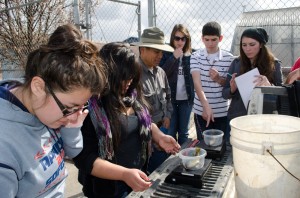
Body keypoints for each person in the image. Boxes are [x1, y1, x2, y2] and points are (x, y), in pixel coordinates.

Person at [0, 24, 107, 197]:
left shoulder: (42, 108)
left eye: (81, 107)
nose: (74, 118)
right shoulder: (4, 147)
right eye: (70, 108)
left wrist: (72, 128)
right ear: (38, 87)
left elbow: (72, 150)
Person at [73, 42, 180, 197]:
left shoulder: (132, 97)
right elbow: (85, 159)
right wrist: (124, 174)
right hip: (107, 189)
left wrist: (159, 137)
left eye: (132, 75)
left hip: (136, 181)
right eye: (123, 76)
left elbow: (144, 122)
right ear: (108, 74)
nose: (129, 81)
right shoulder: (92, 109)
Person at [132, 27, 174, 173]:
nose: (161, 55)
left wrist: (168, 115)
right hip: (144, 136)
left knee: (161, 170)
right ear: (143, 49)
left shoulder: (161, 72)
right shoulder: (133, 73)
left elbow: (168, 96)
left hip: (162, 129)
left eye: (162, 52)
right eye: (157, 51)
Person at [222, 27, 283, 124]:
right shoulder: (236, 62)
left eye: (252, 44)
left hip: (264, 118)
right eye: (244, 45)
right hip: (238, 117)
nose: (247, 49)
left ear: (261, 44)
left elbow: (282, 96)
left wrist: (269, 87)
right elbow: (224, 94)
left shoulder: (274, 64)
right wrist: (232, 89)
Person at [190, 21, 234, 141]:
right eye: (207, 39)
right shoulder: (196, 56)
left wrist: (219, 79)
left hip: (222, 111)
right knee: (204, 145)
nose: (210, 43)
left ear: (220, 38)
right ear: (202, 39)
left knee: (222, 146)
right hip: (201, 110)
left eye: (214, 39)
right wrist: (205, 106)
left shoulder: (229, 58)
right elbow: (197, 83)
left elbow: (230, 86)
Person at [159, 24, 194, 145]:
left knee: (184, 132)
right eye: (177, 38)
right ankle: (171, 161)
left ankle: (183, 158)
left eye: (183, 38)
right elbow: (161, 73)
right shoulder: (166, 53)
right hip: (171, 99)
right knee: (171, 131)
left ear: (187, 40)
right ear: (172, 39)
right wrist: (173, 57)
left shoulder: (191, 56)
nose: (180, 41)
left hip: (186, 100)